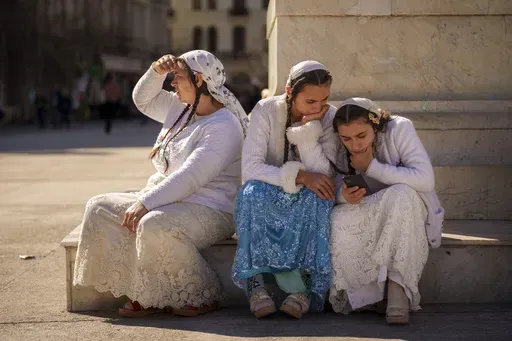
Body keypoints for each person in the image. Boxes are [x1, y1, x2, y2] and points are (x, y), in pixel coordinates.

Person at [73, 50, 248, 317]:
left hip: (212, 208)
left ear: (199, 80)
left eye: (177, 77)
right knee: (99, 208)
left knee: (153, 223)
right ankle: (145, 292)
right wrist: (156, 71)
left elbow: (192, 175)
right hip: (168, 198)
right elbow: (142, 100)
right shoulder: (181, 107)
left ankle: (201, 294)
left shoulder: (225, 126)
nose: (172, 83)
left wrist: (146, 202)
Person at [232, 61, 339, 319]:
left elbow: (325, 176)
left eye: (323, 100)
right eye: (310, 101)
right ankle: (256, 285)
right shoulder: (266, 109)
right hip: (268, 189)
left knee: (320, 195)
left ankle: (301, 288)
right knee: (251, 193)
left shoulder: (329, 116)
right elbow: (250, 169)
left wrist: (308, 132)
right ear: (290, 91)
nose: (318, 107)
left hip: (304, 196)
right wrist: (299, 176)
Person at [329, 98, 444, 324]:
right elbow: (331, 187)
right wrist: (344, 195)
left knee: (400, 194)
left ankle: (397, 288)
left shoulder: (400, 128)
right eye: (347, 138)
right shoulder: (337, 142)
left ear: (376, 126)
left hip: (408, 207)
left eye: (361, 136)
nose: (354, 145)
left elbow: (425, 180)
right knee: (336, 217)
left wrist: (372, 167)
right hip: (368, 207)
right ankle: (369, 295)